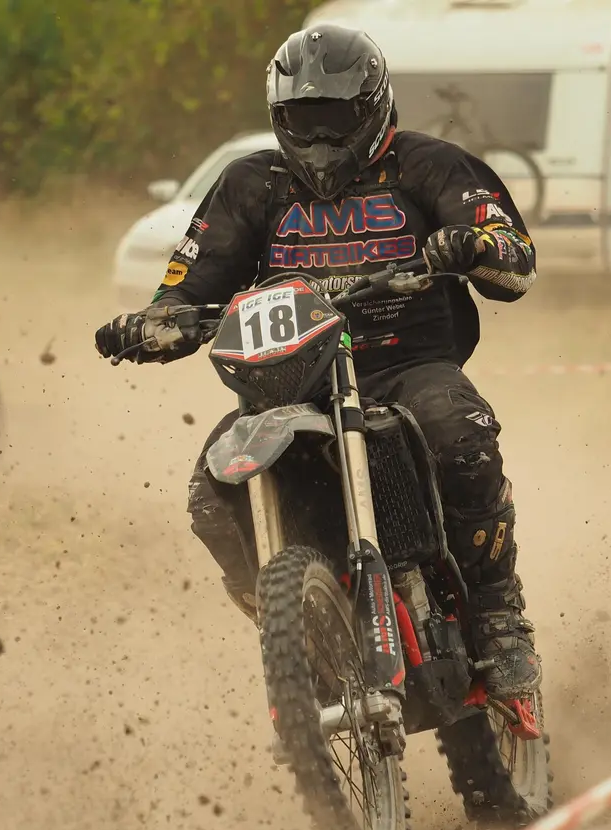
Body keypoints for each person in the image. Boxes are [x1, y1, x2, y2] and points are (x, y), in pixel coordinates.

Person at [93, 25, 542, 700]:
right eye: (306, 118)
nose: (322, 136)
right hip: (289, 383)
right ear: (279, 117)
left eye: (335, 115)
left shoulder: (431, 165)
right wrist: (157, 322)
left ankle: (499, 613)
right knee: (212, 494)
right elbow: (190, 284)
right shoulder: (251, 183)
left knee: (460, 437)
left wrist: (472, 245)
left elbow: (515, 258)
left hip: (408, 366)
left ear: (373, 105)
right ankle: (292, 623)